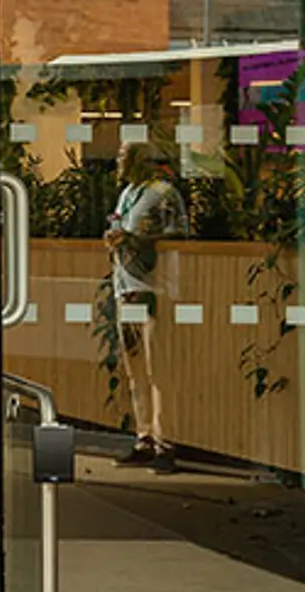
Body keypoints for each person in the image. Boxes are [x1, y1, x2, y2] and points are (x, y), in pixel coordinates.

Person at [106, 140, 189, 473]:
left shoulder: (164, 193)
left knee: (159, 369)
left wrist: (136, 239)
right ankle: (143, 437)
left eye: (124, 156)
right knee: (135, 368)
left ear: (142, 159)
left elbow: (179, 235)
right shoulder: (127, 193)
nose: (119, 161)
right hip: (125, 287)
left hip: (153, 287)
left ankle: (164, 441)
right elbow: (119, 224)